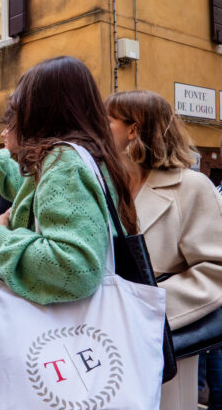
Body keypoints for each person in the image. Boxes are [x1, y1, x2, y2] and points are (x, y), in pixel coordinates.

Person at [0, 56, 137, 308]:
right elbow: (29, 193)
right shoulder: (89, 156)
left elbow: (75, 269)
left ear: (43, 109)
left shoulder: (64, 162)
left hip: (65, 337)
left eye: (23, 102)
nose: (18, 112)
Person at [105, 90, 222, 410]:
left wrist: (147, 308)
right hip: (109, 336)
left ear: (133, 129)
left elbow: (216, 270)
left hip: (167, 337)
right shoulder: (110, 187)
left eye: (109, 120)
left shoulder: (192, 187)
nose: (100, 127)